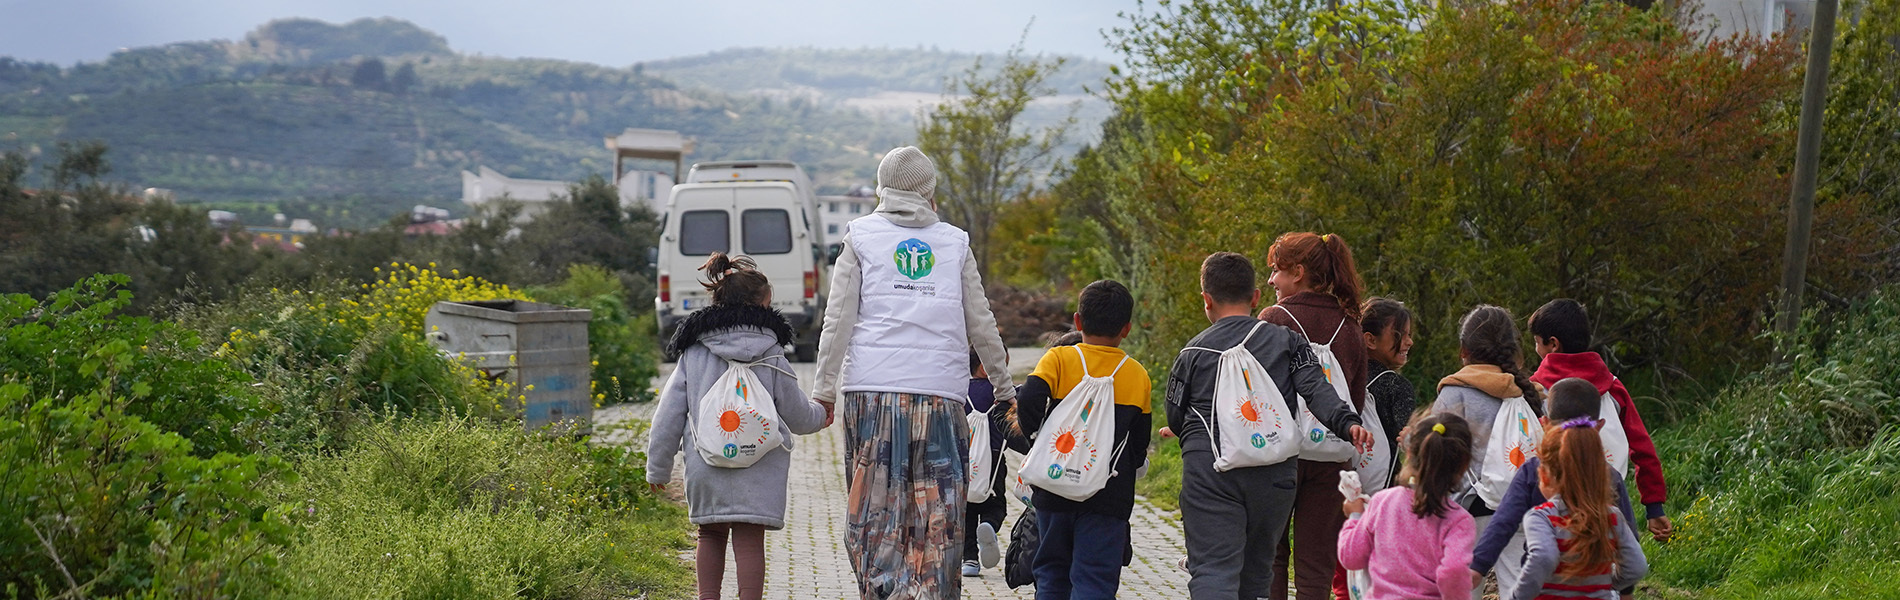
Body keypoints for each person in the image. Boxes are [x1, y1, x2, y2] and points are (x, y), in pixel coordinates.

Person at [812, 146, 1016, 599]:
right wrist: (1004, 388)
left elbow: (837, 319)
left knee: (875, 516)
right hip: (940, 397)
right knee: (938, 519)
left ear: (882, 188)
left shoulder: (860, 236)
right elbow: (981, 323)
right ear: (929, 190)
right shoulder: (954, 242)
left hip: (871, 395)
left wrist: (824, 391)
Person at [1169, 251, 1372, 600]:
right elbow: (1316, 389)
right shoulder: (1288, 341)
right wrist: (1348, 423)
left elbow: (1175, 415)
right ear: (1255, 298)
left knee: (1214, 568)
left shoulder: (1192, 352)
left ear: (1206, 299)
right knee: (1258, 571)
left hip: (1211, 472)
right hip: (1274, 474)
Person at [645, 253, 832, 600]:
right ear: (763, 305)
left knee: (710, 534)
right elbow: (796, 414)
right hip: (759, 466)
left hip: (706, 461)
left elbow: (668, 412)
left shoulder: (694, 351)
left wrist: (658, 466)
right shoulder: (772, 352)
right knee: (749, 540)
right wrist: (821, 414)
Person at [1015, 280, 1152, 599]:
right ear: (1127, 328)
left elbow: (1028, 400)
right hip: (1108, 495)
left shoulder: (1058, 359)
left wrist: (1040, 439)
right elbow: (1139, 441)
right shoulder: (1137, 374)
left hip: (1054, 487)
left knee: (1051, 573)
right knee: (1096, 578)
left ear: (1078, 321)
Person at [1257, 232, 1370, 600]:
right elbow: (1354, 399)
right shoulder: (1350, 326)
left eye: (1277, 270)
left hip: (1280, 456)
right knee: (1316, 566)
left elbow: (1258, 393)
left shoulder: (1274, 318)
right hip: (1331, 459)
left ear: (1298, 272)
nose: (1271, 280)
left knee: (1272, 556)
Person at [1471, 378, 1639, 600]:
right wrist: (1623, 589)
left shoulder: (1534, 471)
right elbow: (1630, 543)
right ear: (1599, 426)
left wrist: (1478, 567)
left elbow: (1503, 522)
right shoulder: (1609, 476)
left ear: (1545, 423)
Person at [1527, 299, 1671, 545]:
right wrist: (1654, 506)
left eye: (1537, 342)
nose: (1536, 349)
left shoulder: (1535, 391)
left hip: (1553, 509)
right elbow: (1642, 446)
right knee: (1617, 561)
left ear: (1553, 344)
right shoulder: (1612, 386)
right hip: (1609, 499)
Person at [1432, 304, 1546, 600]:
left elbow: (1438, 454)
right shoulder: (1530, 394)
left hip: (1467, 510)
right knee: (1519, 591)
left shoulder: (1454, 393)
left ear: (1463, 350)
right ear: (1513, 350)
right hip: (1522, 506)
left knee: (1462, 591)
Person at [1338, 413, 1477, 600]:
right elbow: (1453, 571)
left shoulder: (1383, 502)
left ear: (1409, 453)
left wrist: (1355, 517)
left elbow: (1350, 557)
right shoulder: (1459, 521)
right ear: (1464, 465)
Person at [1510, 418, 1649, 600]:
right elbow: (1637, 566)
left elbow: (1543, 557)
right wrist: (1610, 584)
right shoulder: (1611, 517)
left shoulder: (1542, 518)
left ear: (1544, 475)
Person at [1362, 297, 1418, 482]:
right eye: (1400, 335)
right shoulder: (1396, 386)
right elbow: (1412, 442)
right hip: (1383, 485)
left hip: (1343, 481)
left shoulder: (1344, 376)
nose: (1409, 342)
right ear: (1370, 340)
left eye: (1409, 334)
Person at [963, 351, 1007, 577]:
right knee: (996, 504)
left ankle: (969, 560)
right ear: (984, 365)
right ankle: (989, 524)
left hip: (964, 458)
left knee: (966, 510)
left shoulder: (961, 391)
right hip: (995, 459)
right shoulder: (1002, 393)